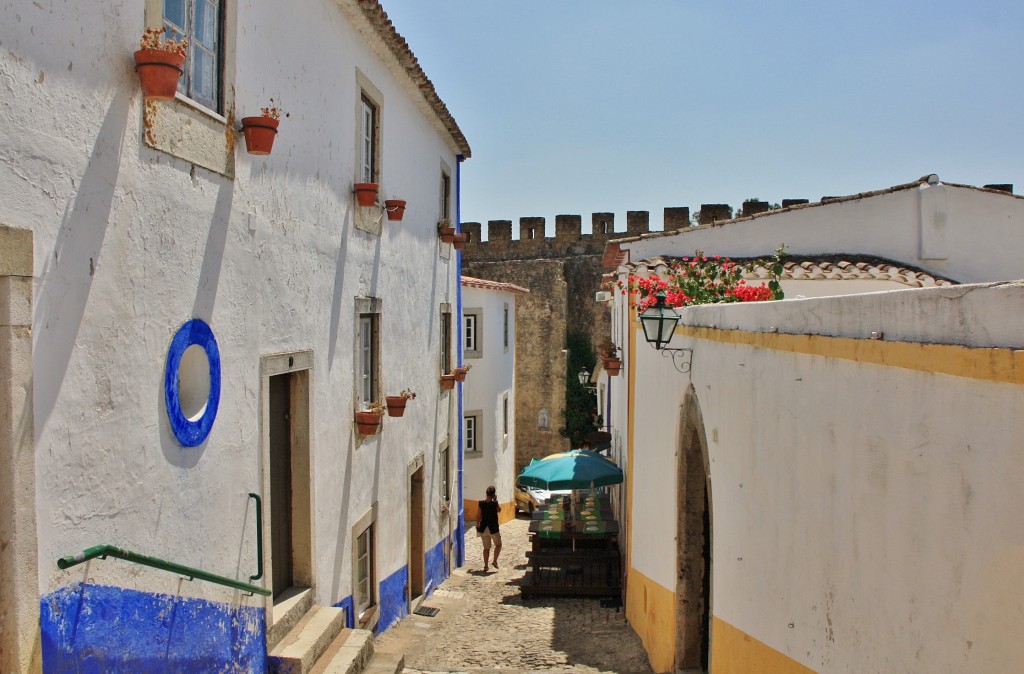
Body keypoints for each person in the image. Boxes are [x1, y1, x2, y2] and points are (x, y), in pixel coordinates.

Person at [477, 486, 502, 572]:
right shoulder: (494, 504)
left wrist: (477, 524)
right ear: (493, 494)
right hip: (493, 528)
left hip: (484, 528)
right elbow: (499, 510)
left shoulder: (481, 503)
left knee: (486, 548)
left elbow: (479, 515)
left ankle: (486, 566)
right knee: (498, 545)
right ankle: (494, 561)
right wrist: (495, 501)